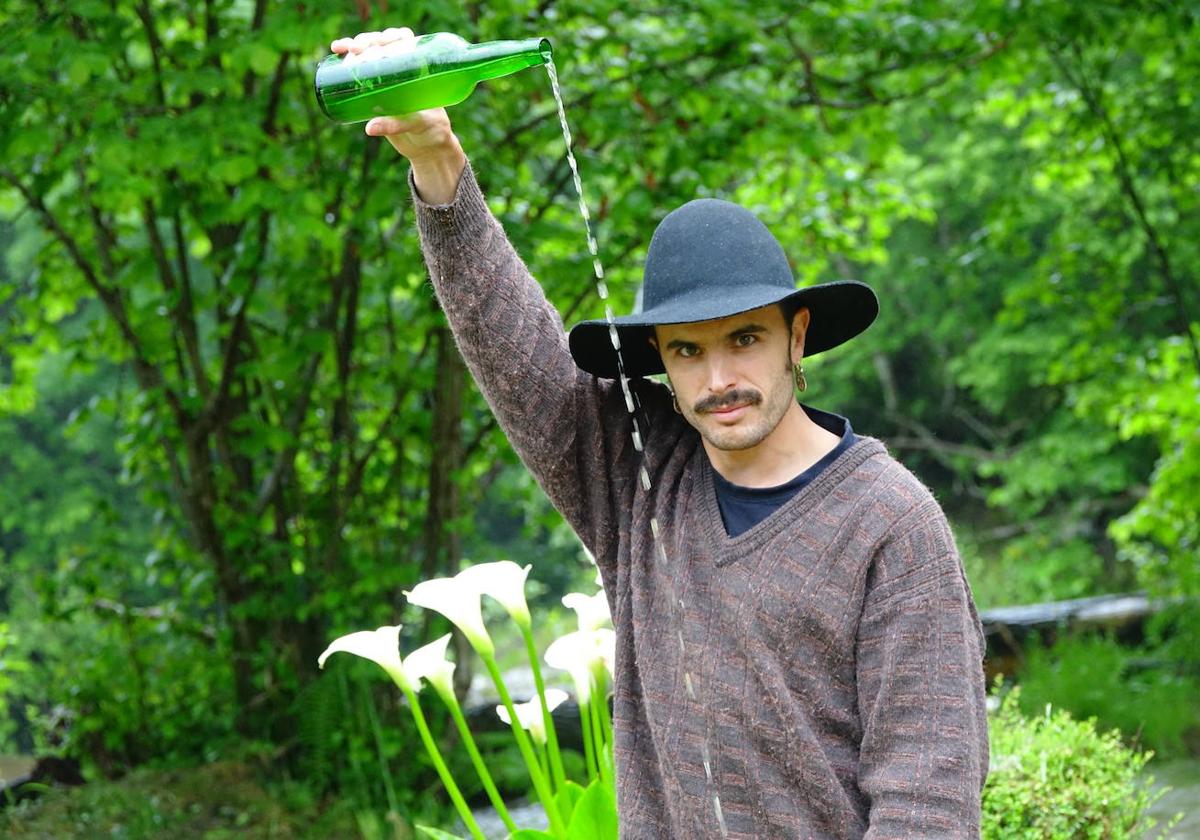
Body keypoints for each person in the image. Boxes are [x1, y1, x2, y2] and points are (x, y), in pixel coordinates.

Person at [331, 27, 989, 839]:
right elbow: (513, 343)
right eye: (687, 350)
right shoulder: (638, 481)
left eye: (744, 338)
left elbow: (929, 802)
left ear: (798, 333)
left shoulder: (890, 523)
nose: (718, 381)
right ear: (659, 364)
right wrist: (436, 159)